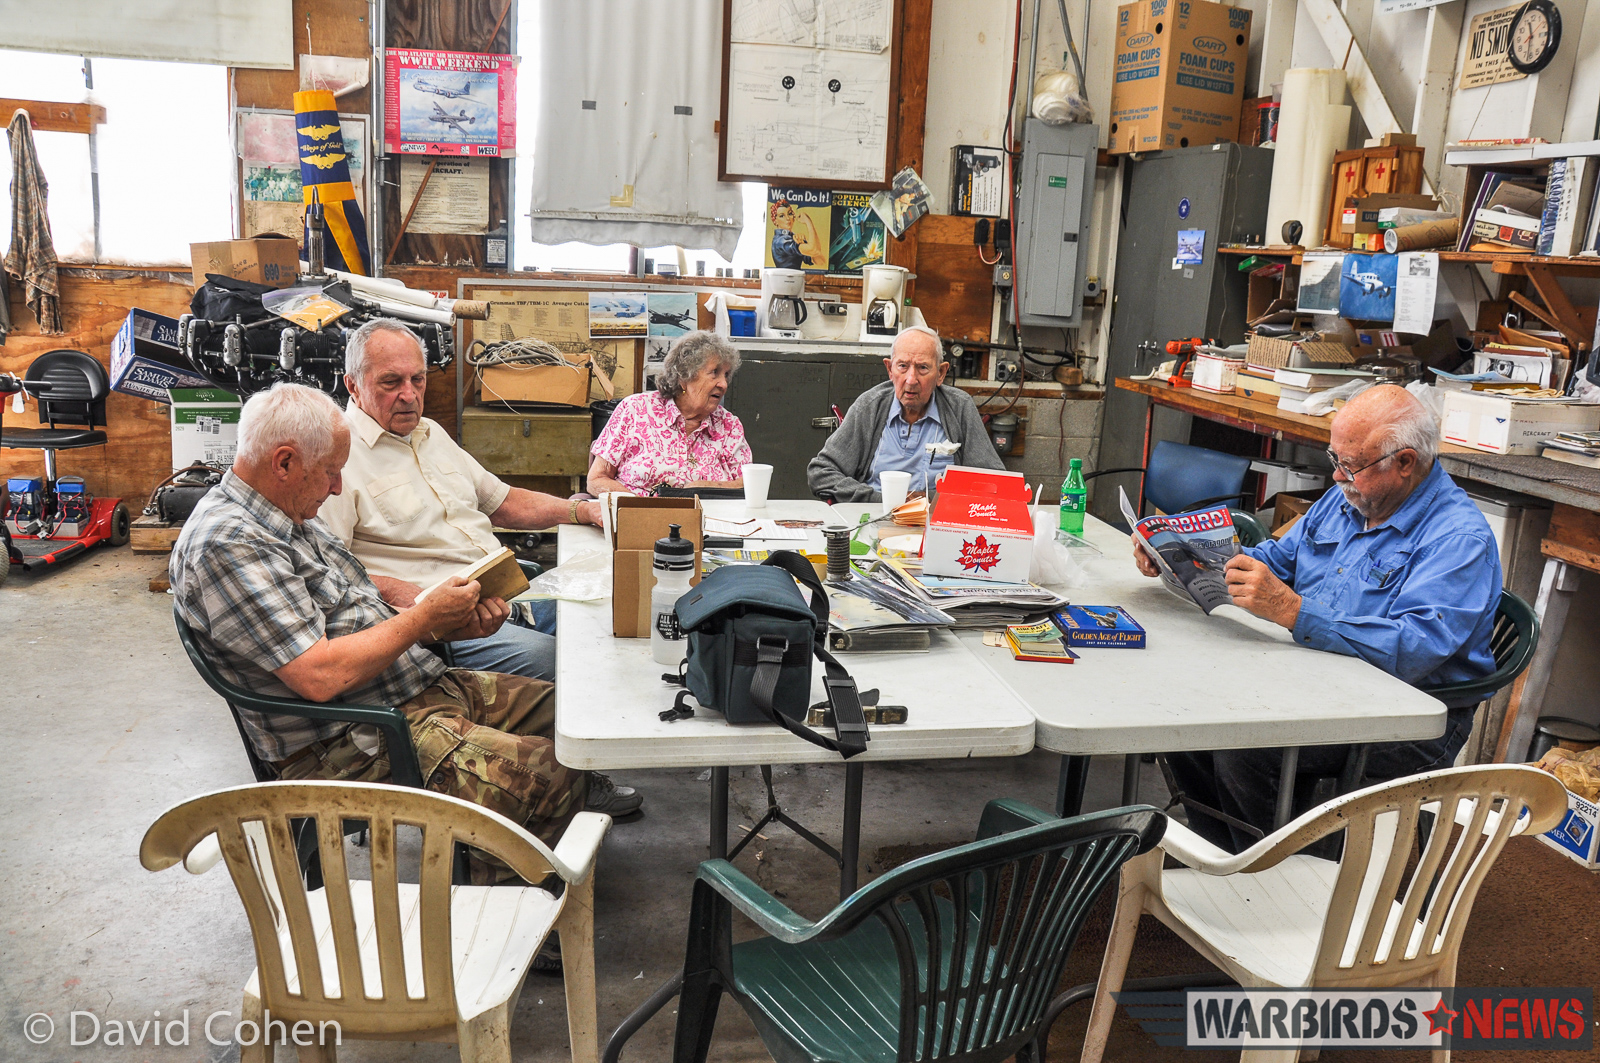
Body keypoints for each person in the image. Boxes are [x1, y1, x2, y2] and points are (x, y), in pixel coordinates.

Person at [169, 383, 588, 881]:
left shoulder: (288, 515)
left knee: (578, 722)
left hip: (408, 691)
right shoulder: (228, 543)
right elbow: (319, 676)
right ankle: (504, 919)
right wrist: (423, 620)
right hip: (352, 739)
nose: (338, 488)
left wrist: (447, 622)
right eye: (330, 472)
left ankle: (517, 865)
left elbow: (360, 609)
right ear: (283, 463)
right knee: (549, 776)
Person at [1142, 385, 1501, 851]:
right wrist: (1184, 555)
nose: (1337, 476)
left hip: (1406, 715)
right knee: (1182, 714)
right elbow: (1276, 560)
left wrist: (1292, 611)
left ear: (1405, 463)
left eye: (1350, 466)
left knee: (1244, 746)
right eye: (1335, 458)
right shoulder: (1351, 495)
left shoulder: (1458, 540)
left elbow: (1413, 649)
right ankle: (1226, 851)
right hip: (1317, 682)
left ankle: (1278, 874)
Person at [317, 319, 641, 817]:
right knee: (571, 667)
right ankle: (560, 782)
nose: (409, 395)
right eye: (391, 382)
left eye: (418, 380)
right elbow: (330, 571)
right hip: (445, 621)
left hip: (506, 586)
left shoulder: (431, 434)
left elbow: (504, 501)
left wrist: (581, 509)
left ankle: (572, 760)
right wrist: (411, 597)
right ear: (353, 384)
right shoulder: (340, 458)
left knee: (608, 619)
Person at [807, 326, 1004, 502]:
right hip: (875, 516)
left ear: (941, 373)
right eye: (902, 366)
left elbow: (994, 482)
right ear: (889, 369)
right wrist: (882, 500)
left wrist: (930, 500)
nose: (911, 380)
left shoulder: (959, 407)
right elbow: (821, 472)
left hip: (935, 521)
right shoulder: (869, 407)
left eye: (923, 368)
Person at [588, 330, 752, 495]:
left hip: (707, 517)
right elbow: (596, 480)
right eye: (714, 372)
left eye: (726, 375)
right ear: (684, 377)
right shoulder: (635, 410)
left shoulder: (729, 425)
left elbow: (749, 483)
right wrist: (640, 508)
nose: (723, 384)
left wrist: (701, 488)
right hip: (639, 515)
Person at [769, 196, 823, 271]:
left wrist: (803, 243)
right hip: (785, 279)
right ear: (775, 221)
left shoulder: (792, 238)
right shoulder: (781, 241)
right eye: (782, 216)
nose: (787, 218)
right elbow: (814, 250)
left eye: (790, 214)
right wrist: (808, 221)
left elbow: (820, 261)